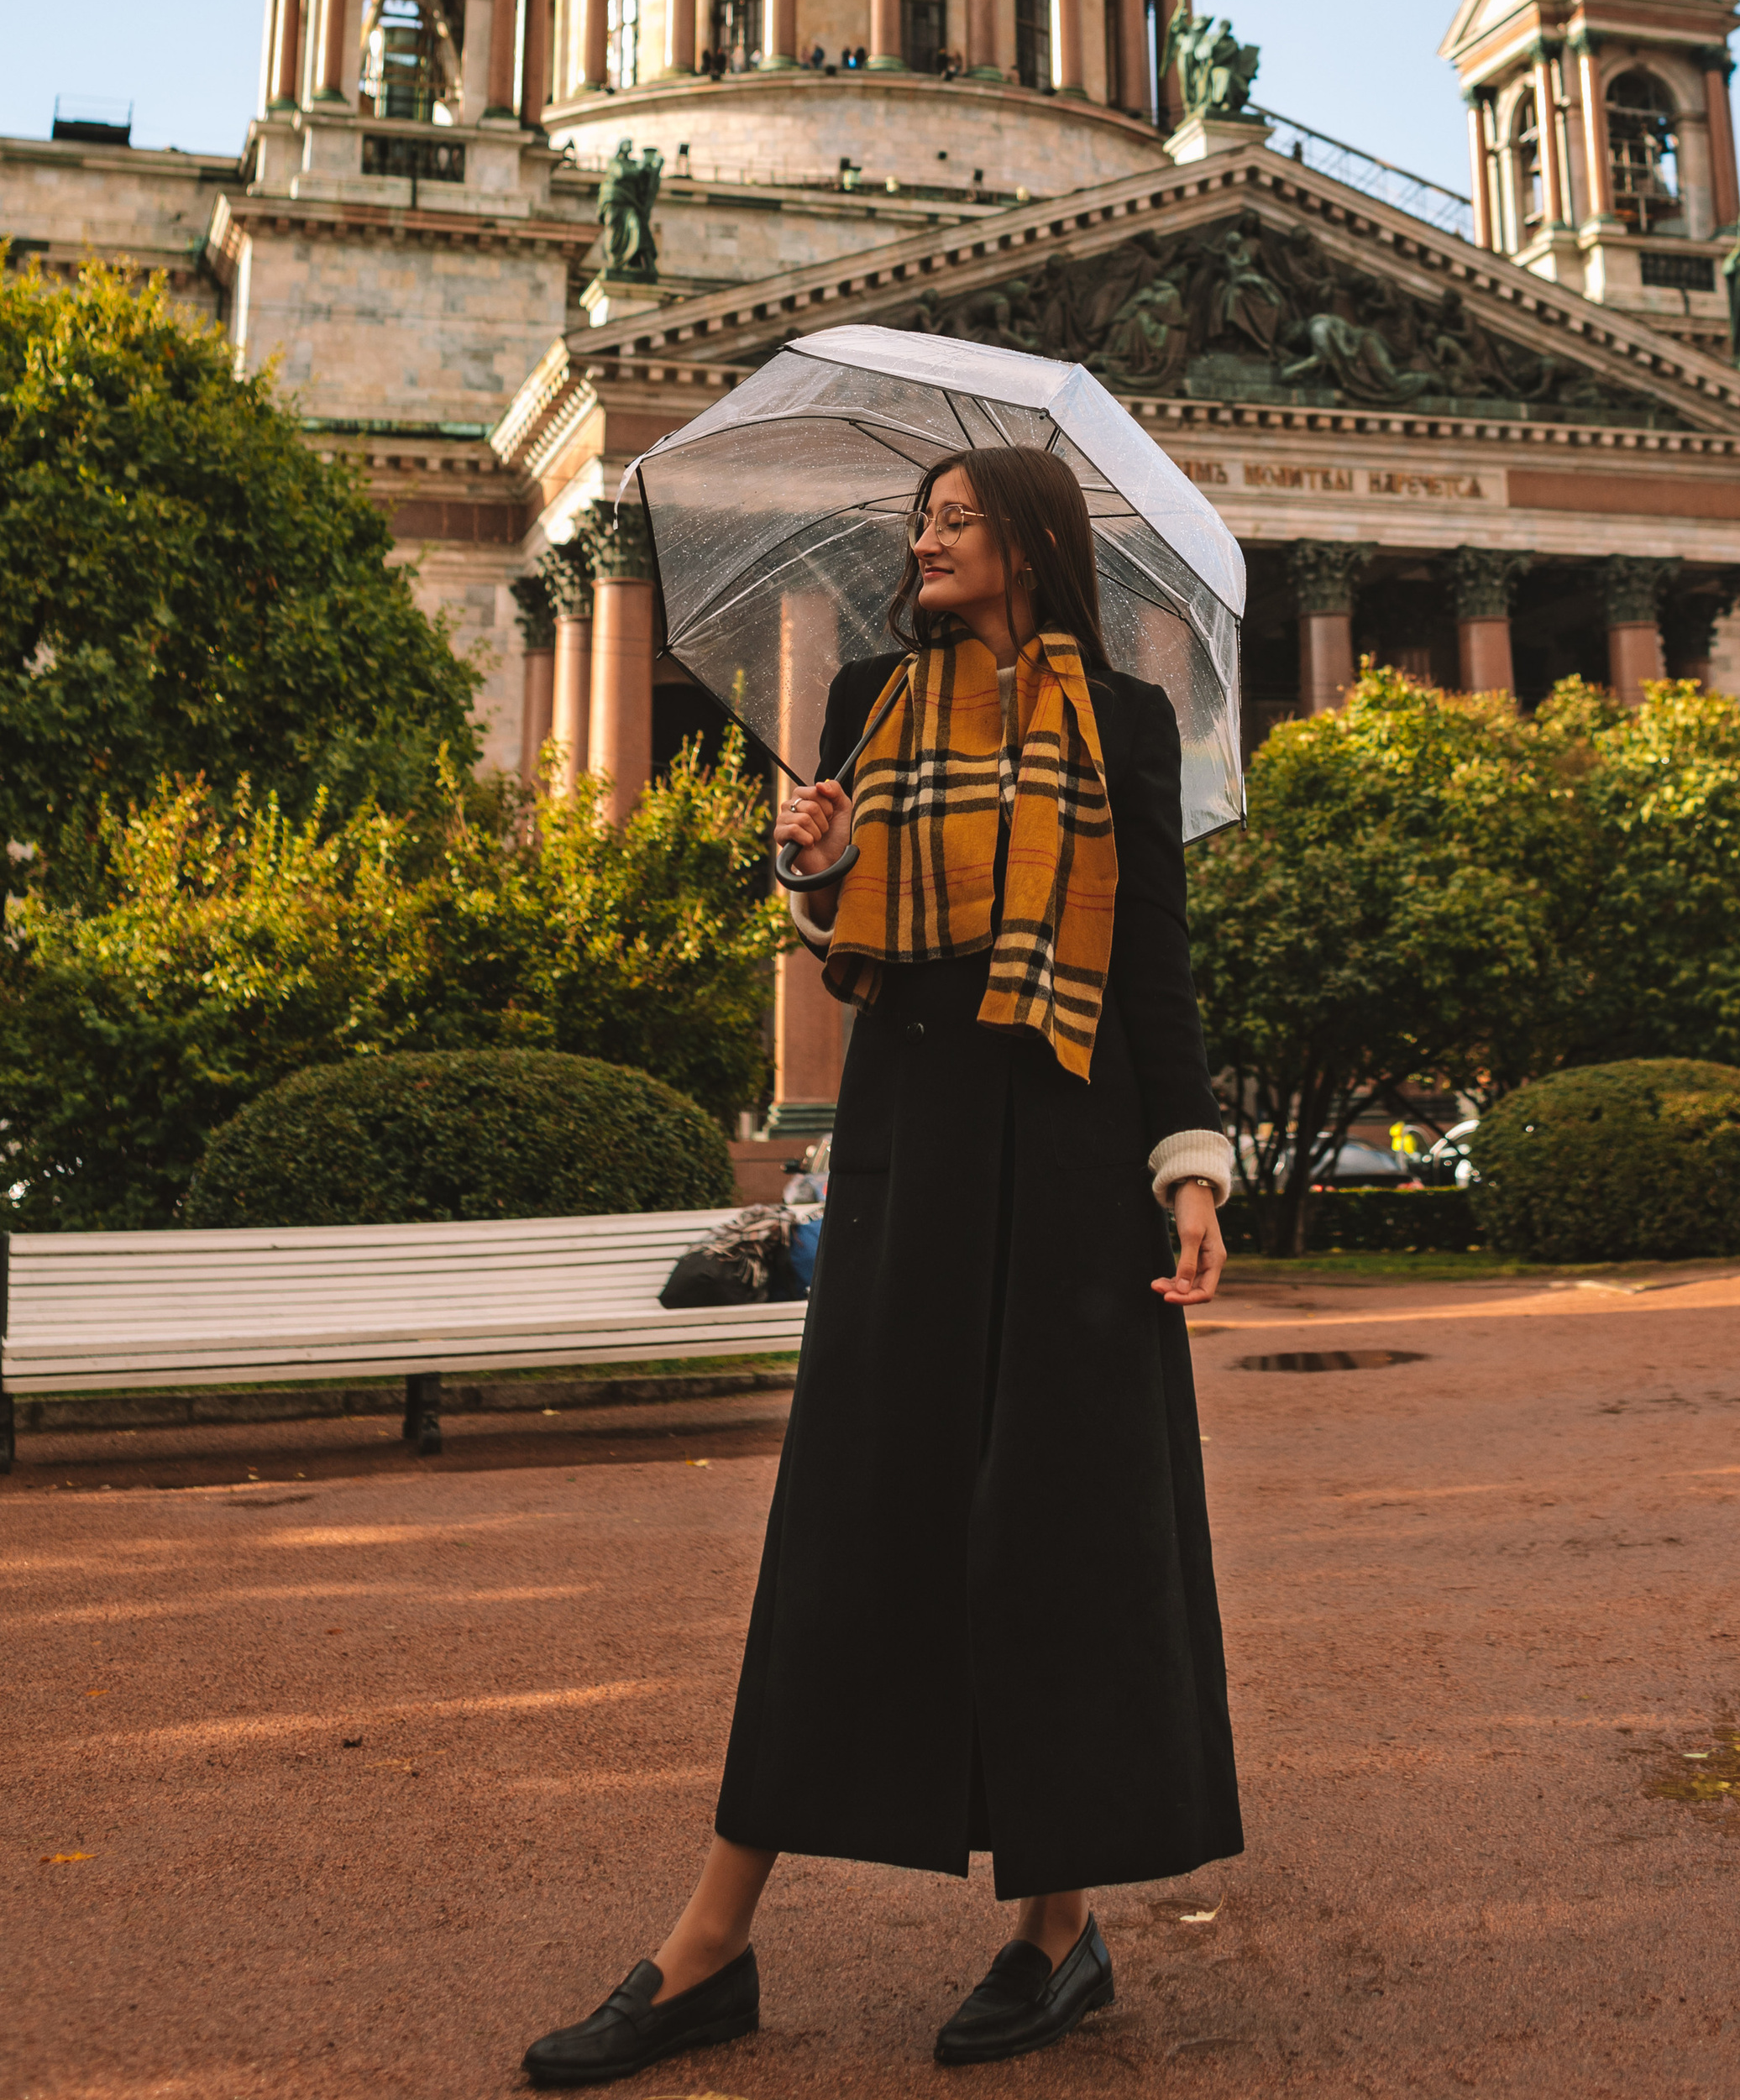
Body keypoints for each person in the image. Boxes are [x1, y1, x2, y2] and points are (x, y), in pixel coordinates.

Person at [521, 445, 1241, 2085]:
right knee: (850, 1525)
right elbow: (848, 970)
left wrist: (1186, 1170)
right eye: (917, 522)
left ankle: (1055, 1932)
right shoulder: (861, 708)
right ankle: (706, 1943)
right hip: (915, 1143)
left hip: (1069, 1155)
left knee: (1055, 1539)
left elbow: (1152, 973)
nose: (921, 542)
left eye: (950, 522)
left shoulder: (1123, 726)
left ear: (1030, 547)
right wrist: (817, 860)